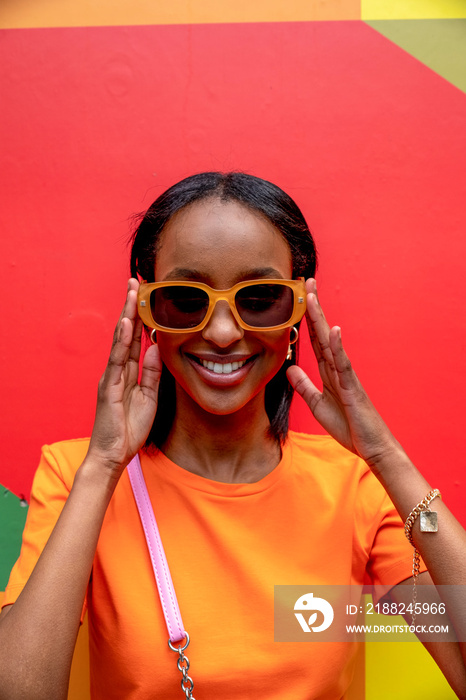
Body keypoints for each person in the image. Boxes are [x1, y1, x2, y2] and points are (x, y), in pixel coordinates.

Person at [0, 172, 465, 700]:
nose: (222, 333)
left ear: (299, 308)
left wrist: (387, 458)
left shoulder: (354, 485)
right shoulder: (77, 477)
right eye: (184, 299)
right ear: (146, 310)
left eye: (261, 297)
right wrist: (105, 463)